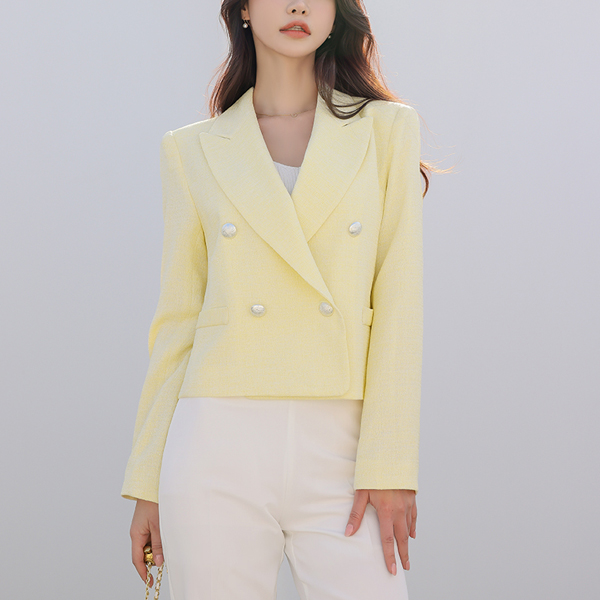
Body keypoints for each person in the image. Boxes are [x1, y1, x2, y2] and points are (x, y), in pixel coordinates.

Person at [122, 1, 434, 598]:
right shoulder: (193, 150)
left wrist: (391, 463)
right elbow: (178, 321)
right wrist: (147, 483)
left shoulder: (387, 130)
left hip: (346, 449)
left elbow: (400, 306)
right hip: (214, 442)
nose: (297, 5)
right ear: (243, 9)